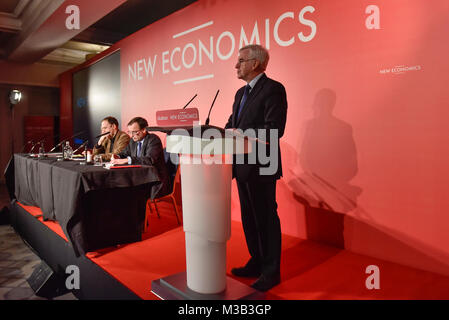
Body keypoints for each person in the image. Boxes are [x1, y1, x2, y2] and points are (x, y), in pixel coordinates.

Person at [224, 44, 288, 292]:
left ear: (256, 63)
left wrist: (240, 132)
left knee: (265, 218)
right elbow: (231, 124)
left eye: (241, 60)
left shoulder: (273, 89)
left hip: (263, 164)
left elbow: (275, 128)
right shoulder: (240, 94)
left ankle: (271, 272)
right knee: (249, 217)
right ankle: (257, 261)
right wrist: (222, 132)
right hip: (242, 165)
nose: (236, 65)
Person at [111, 117, 170, 198]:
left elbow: (150, 160)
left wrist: (127, 160)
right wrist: (117, 156)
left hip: (154, 179)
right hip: (139, 178)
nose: (131, 135)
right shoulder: (133, 141)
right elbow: (124, 153)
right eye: (129, 132)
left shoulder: (153, 139)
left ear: (144, 130)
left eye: (134, 132)